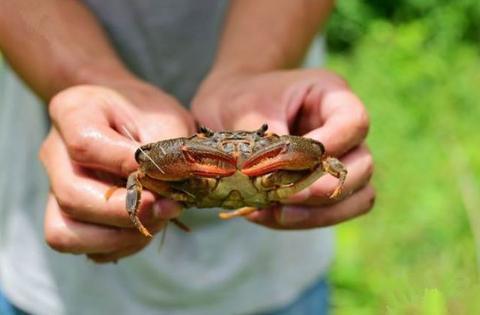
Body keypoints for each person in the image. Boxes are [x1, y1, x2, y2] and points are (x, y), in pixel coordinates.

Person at [0, 0, 375, 314]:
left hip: (278, 272)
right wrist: (87, 77)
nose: (235, 157)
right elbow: (140, 172)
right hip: (55, 283)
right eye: (213, 146)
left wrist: (254, 70)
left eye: (255, 144)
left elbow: (321, 158)